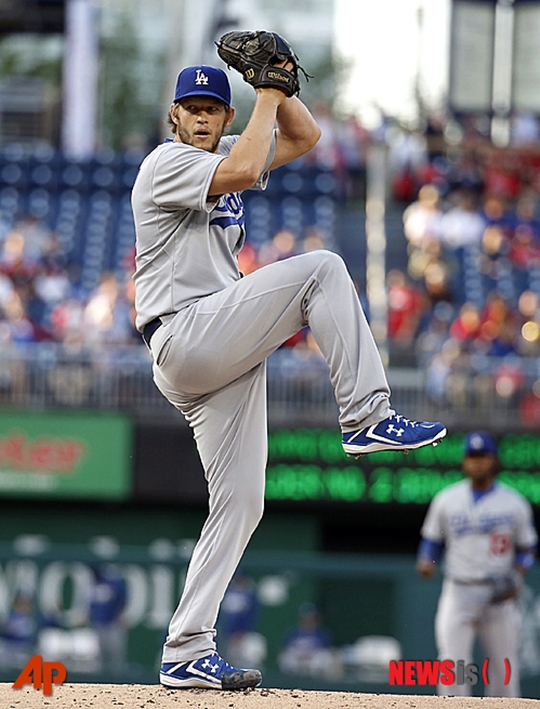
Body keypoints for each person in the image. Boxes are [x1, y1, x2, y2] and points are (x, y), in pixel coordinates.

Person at [131, 62, 446, 691]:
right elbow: (244, 169)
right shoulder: (167, 162)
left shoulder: (227, 148)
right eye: (191, 107)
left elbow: (306, 139)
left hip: (219, 345)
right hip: (186, 331)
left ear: (225, 116)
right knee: (322, 269)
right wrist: (267, 93)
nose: (200, 116)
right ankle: (367, 416)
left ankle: (185, 649)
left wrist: (278, 86)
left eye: (212, 108)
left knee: (242, 503)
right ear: (174, 116)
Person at [416, 431, 537, 698]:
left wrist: (518, 574)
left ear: (494, 460)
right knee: (453, 664)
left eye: (482, 456)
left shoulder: (514, 502)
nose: (477, 462)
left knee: (504, 668)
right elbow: (432, 542)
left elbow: (528, 547)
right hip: (459, 589)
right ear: (464, 461)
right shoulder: (447, 499)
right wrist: (427, 561)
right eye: (472, 456)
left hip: (499, 592)